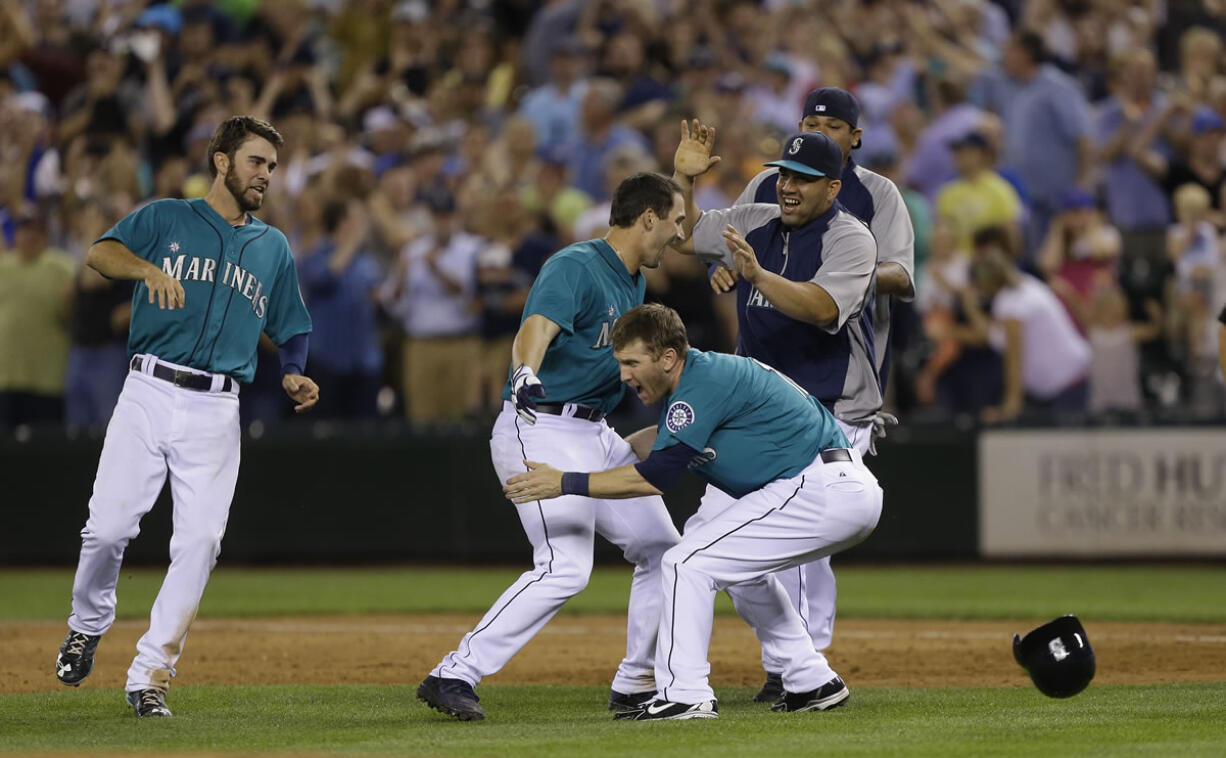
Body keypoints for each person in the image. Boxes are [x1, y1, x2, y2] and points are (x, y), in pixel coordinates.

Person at [53, 116, 318, 718]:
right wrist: (146, 269)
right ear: (221, 162)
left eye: (272, 166)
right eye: (256, 161)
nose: (266, 175)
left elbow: (292, 323)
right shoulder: (167, 217)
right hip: (147, 391)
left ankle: (151, 674)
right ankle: (87, 621)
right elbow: (100, 252)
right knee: (108, 529)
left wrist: (293, 368)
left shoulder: (271, 245)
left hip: (217, 408)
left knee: (200, 541)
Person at [503, 303, 883, 721]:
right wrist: (599, 458)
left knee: (685, 562)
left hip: (820, 488)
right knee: (742, 574)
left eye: (632, 362)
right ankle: (810, 679)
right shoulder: (697, 382)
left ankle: (686, 693)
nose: (624, 374)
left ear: (668, 358)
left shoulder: (703, 381)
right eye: (620, 363)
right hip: (828, 485)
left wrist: (566, 481)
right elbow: (659, 444)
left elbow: (655, 475)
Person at [417, 172, 687, 722]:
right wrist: (524, 372)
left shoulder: (632, 280)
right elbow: (536, 328)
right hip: (538, 423)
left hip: (594, 432)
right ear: (648, 219)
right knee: (565, 565)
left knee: (665, 550)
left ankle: (635, 682)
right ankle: (455, 672)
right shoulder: (576, 264)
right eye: (675, 221)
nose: (680, 234)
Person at [705, 92, 896, 702]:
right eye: (785, 170)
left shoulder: (869, 211)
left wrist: (769, 277)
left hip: (833, 402)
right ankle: (794, 663)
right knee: (723, 540)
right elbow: (685, 234)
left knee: (808, 549)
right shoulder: (762, 208)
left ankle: (803, 666)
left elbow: (840, 299)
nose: (788, 183)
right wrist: (686, 178)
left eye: (830, 129)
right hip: (757, 405)